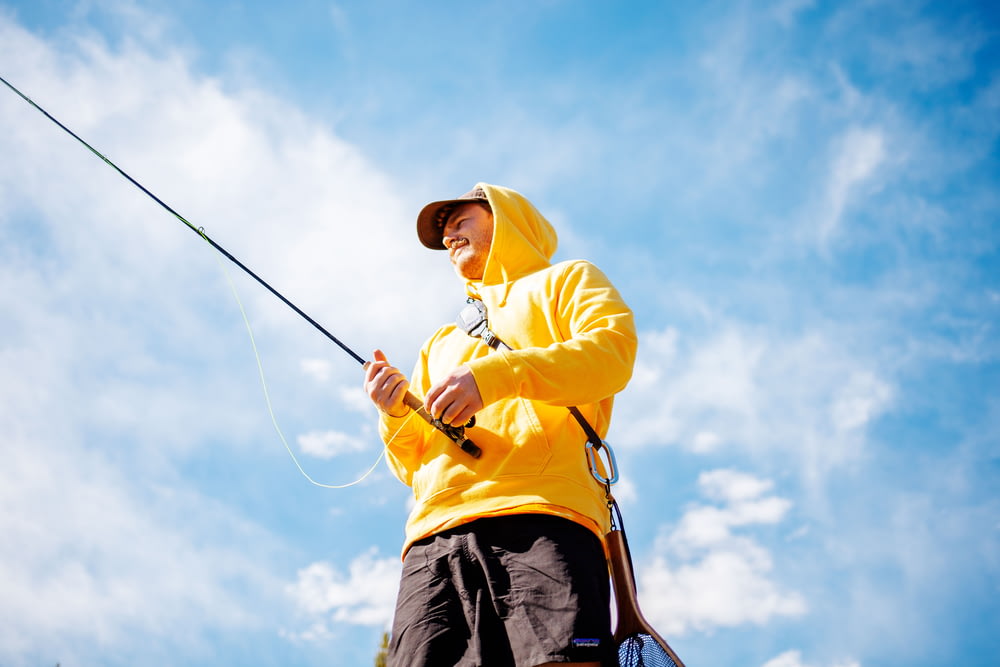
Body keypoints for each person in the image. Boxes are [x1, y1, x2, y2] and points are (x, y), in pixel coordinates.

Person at [364, 183, 637, 667]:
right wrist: (396, 414)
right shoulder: (439, 343)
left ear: (505, 217)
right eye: (443, 233)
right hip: (432, 541)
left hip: (544, 516)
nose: (448, 236)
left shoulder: (568, 281)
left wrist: (497, 376)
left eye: (459, 220)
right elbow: (410, 464)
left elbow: (610, 354)